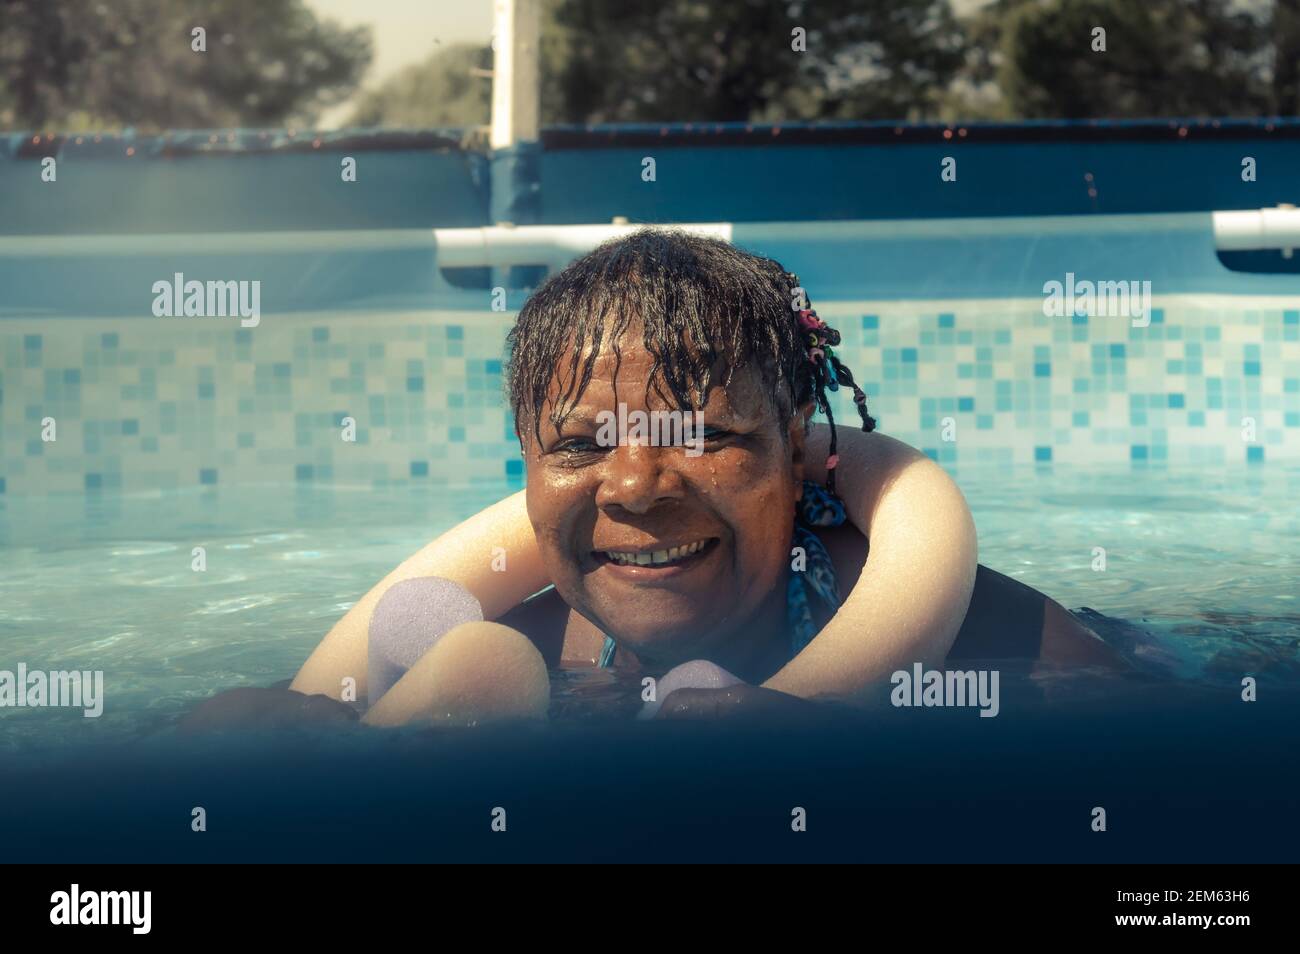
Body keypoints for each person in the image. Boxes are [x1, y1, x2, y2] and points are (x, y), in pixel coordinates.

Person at [280, 229, 1122, 726]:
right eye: (580, 446)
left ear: (795, 451)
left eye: (703, 434)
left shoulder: (992, 646)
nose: (636, 487)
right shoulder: (542, 657)